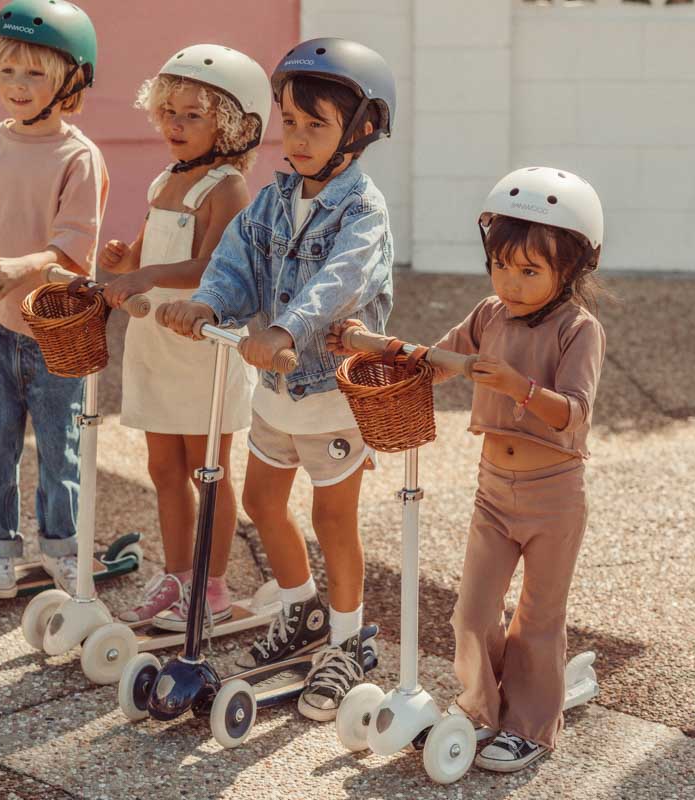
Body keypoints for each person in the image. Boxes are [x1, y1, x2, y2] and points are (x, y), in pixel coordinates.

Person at [331, 166, 606, 771]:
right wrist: (367, 343)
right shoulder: (489, 315)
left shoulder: (578, 329)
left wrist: (520, 387)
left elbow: (576, 415)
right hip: (493, 491)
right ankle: (482, 711)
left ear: (572, 271)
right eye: (502, 266)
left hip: (554, 493)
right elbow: (433, 360)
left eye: (530, 270)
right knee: (473, 613)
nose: (511, 281)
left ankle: (532, 726)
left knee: (538, 616)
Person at [157, 37, 396, 721]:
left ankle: (350, 643)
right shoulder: (273, 197)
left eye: (314, 125)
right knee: (263, 503)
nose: (295, 138)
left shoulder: (363, 211)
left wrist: (285, 330)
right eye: (289, 122)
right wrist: (207, 302)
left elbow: (336, 282)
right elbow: (235, 259)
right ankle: (300, 611)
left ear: (364, 128)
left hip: (330, 394)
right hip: (276, 392)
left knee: (333, 518)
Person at [98, 45, 271, 631]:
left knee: (209, 472)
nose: (174, 124)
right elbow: (151, 252)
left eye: (193, 114)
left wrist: (146, 274)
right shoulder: (166, 180)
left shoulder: (227, 189)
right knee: (164, 468)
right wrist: (129, 258)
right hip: (156, 341)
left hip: (202, 347)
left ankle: (213, 584)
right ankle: (176, 574)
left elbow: (211, 268)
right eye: (168, 110)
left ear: (231, 126)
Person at [0, 0, 108, 596]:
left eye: (34, 73)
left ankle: (63, 551)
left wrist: (22, 265)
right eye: (6, 70)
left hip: (56, 331)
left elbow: (74, 250)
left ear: (71, 80)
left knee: (60, 454)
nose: (16, 85)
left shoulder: (77, 157)